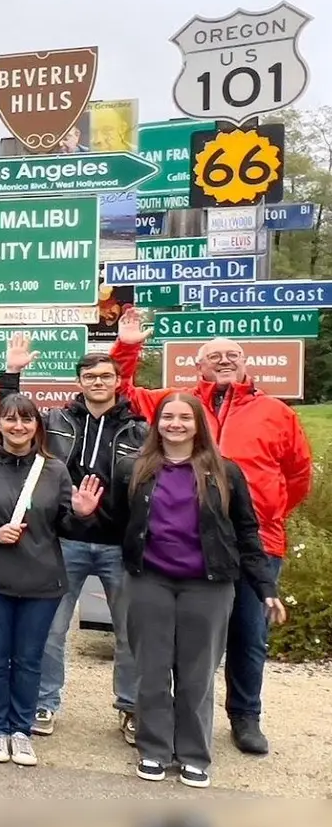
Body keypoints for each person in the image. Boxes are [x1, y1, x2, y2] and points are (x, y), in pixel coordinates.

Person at [110, 309, 313, 754]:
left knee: (247, 634)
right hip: (182, 549)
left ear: (246, 364)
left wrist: (270, 513)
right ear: (198, 366)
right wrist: (126, 346)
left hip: (254, 539)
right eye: (214, 355)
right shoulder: (180, 406)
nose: (224, 360)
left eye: (232, 355)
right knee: (184, 642)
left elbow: (298, 474)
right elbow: (120, 390)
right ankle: (171, 729)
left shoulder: (275, 413)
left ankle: (245, 716)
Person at [93, 393, 287, 788]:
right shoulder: (134, 469)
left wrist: (265, 586)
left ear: (199, 424)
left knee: (197, 673)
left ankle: (194, 754)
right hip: (150, 580)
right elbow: (114, 525)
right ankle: (154, 750)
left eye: (184, 417)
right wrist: (84, 513)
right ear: (157, 423)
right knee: (151, 670)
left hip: (208, 586)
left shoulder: (225, 472)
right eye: (168, 416)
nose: (175, 424)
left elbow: (247, 532)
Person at [0, 393, 102, 768]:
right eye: (10, 419)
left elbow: (63, 524)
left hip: (42, 581)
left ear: (37, 426)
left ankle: (22, 730)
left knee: (30, 660)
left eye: (26, 420)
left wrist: (81, 514)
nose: (18, 427)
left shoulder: (54, 469)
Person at [0, 336, 145, 742]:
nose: (97, 382)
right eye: (89, 376)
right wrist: (11, 373)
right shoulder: (58, 422)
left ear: (118, 381)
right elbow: (11, 418)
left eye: (105, 376)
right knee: (51, 629)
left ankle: (131, 707)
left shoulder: (139, 428)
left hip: (119, 543)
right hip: (65, 540)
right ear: (78, 382)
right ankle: (45, 702)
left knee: (130, 633)